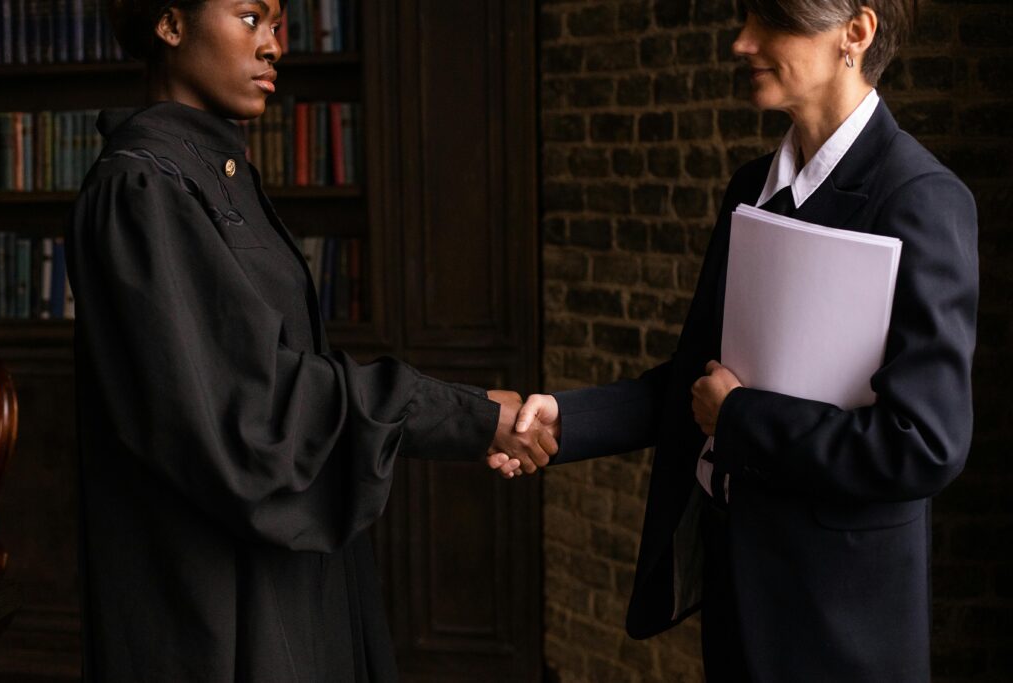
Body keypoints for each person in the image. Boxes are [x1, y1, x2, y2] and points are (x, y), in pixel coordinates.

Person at [68, 0, 553, 680]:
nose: (271, 46)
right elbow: (250, 409)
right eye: (247, 17)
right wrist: (466, 415)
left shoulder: (216, 175)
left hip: (281, 573)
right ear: (170, 23)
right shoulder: (144, 188)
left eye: (277, 24)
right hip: (212, 604)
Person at [502, 1, 978, 680]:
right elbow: (698, 381)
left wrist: (741, 418)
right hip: (739, 597)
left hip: (843, 623)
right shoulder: (748, 188)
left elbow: (924, 443)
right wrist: (565, 417)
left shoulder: (921, 199)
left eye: (771, 22)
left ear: (857, 32)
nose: (741, 42)